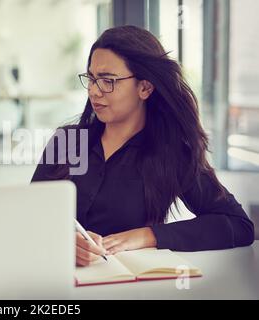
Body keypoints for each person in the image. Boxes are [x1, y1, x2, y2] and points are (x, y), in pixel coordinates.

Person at [31, 26, 254, 266]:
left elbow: (237, 224)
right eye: (92, 79)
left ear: (145, 88)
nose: (94, 91)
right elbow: (30, 216)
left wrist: (148, 236)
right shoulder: (66, 141)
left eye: (108, 81)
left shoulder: (171, 154)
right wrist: (64, 240)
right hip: (57, 283)